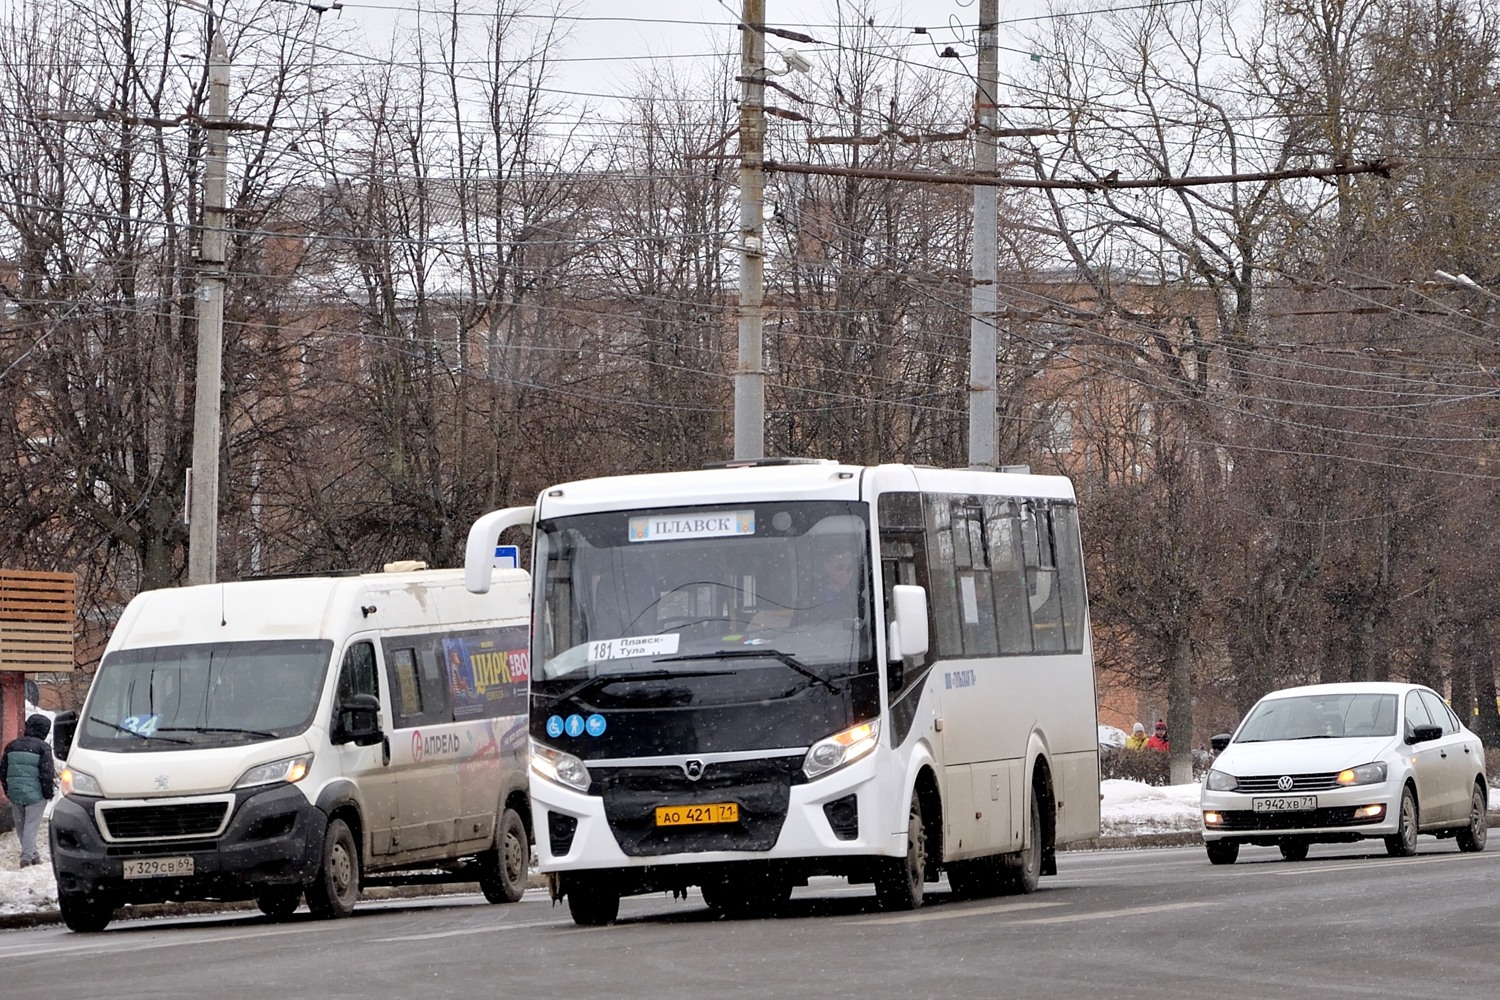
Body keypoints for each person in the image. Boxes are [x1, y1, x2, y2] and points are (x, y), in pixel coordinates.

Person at [1, 714, 56, 868]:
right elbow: (46, 773)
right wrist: (48, 793)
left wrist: (8, 791)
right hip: (35, 795)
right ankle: (26, 858)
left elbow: (3, 771)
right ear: (45, 730)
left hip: (15, 792)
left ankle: (34, 855)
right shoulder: (43, 747)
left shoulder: (11, 745)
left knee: (21, 826)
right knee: (30, 826)